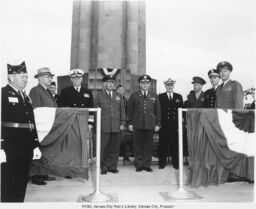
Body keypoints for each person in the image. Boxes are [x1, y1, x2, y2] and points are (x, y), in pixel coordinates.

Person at [1, 61, 41, 202]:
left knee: (22, 180)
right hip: (10, 147)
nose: (26, 79)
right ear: (11, 77)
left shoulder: (25, 97)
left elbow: (31, 122)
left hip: (25, 146)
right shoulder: (3, 94)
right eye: (22, 76)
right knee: (8, 181)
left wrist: (35, 144)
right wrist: (0, 146)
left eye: (26, 76)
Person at [127, 74, 161, 172]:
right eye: (143, 83)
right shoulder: (134, 95)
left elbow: (158, 111)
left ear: (149, 84)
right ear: (140, 84)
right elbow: (129, 111)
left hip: (150, 125)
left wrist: (158, 124)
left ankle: (147, 165)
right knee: (138, 146)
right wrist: (130, 123)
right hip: (137, 125)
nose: (145, 85)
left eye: (147, 83)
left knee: (148, 146)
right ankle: (139, 165)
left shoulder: (154, 95)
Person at [29, 67, 57, 185]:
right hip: (40, 126)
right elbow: (36, 110)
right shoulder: (35, 90)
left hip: (48, 125)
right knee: (37, 150)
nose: (50, 79)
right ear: (40, 78)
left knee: (45, 151)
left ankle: (43, 173)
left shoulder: (47, 91)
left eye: (50, 76)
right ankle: (35, 176)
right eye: (47, 76)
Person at [94, 75, 126, 175]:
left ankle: (113, 166)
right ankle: (103, 167)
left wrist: (122, 123)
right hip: (104, 126)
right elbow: (95, 112)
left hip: (116, 126)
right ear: (104, 84)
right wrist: (97, 125)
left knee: (115, 147)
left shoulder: (118, 95)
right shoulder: (99, 96)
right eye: (109, 82)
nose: (112, 84)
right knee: (104, 147)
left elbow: (122, 111)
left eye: (113, 82)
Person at [158, 78, 183, 170]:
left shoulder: (178, 97)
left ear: (173, 86)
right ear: (165, 86)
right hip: (164, 125)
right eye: (168, 85)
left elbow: (181, 112)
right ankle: (162, 163)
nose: (169, 87)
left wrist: (180, 125)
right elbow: (158, 111)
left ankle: (176, 163)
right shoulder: (160, 97)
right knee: (163, 145)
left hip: (175, 125)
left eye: (171, 85)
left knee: (175, 145)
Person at [116, 84, 131, 163]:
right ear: (117, 90)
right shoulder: (114, 99)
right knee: (118, 140)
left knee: (125, 140)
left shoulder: (125, 100)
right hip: (116, 122)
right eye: (119, 89)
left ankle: (125, 156)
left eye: (122, 89)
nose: (121, 91)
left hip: (125, 123)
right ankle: (117, 155)